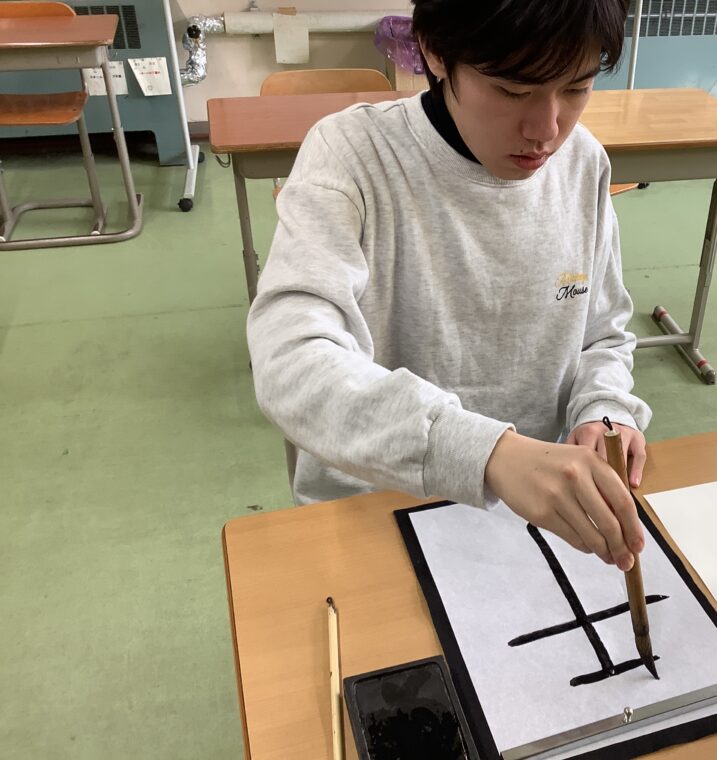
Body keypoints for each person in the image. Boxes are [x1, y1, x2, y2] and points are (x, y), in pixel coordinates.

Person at [247, 0, 651, 572]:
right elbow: (290, 360)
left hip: (532, 517)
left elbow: (602, 335)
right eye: (512, 90)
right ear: (435, 53)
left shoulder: (583, 162)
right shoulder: (352, 155)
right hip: (378, 511)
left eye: (577, 88)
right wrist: (489, 455)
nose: (546, 130)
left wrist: (604, 409)